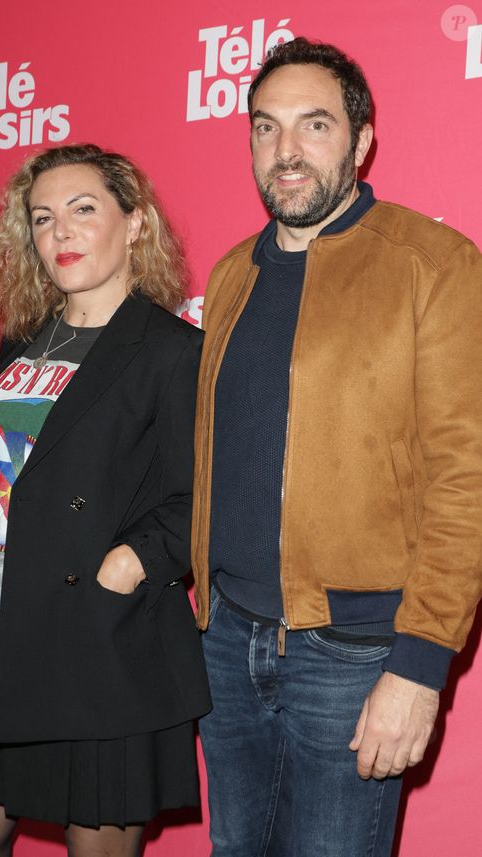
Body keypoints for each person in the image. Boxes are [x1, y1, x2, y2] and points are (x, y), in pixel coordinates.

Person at [192, 37, 482, 857]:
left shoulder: (434, 264)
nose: (286, 151)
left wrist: (420, 666)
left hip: (356, 653)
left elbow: (468, 480)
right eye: (266, 127)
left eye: (314, 125)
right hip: (226, 646)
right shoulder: (228, 278)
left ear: (360, 142)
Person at [0, 143, 211, 857]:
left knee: (98, 843)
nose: (62, 233)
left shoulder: (172, 350)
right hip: (8, 632)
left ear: (135, 222)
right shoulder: (24, 342)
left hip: (103, 638)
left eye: (84, 210)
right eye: (43, 218)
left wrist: (134, 561)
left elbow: (201, 492)